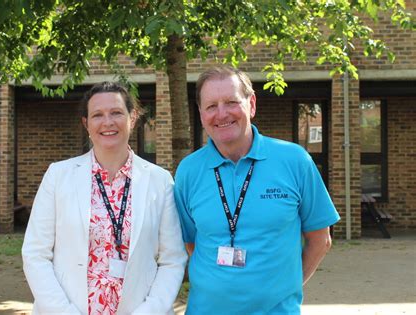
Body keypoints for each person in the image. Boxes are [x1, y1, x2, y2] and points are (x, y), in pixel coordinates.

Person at [174, 66, 340, 314]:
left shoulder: (294, 161)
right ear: (200, 113)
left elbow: (320, 239)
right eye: (211, 106)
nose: (221, 114)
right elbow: (192, 244)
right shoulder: (188, 170)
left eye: (231, 102)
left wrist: (284, 289)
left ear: (251, 104)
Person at [22, 82, 187, 315]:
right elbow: (35, 254)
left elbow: (172, 260)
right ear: (86, 124)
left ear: (133, 117)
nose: (107, 122)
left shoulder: (160, 181)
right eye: (97, 115)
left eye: (116, 113)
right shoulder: (58, 176)